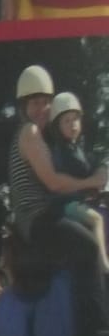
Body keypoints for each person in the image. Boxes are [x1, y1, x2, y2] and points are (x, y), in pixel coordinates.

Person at [10, 65, 109, 336]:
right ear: (24, 107)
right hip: (36, 218)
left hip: (46, 213)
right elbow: (53, 181)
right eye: (34, 102)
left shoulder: (44, 138)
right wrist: (92, 181)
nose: (41, 108)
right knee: (88, 248)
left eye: (45, 101)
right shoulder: (29, 133)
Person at [50, 93, 109, 269]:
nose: (72, 124)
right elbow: (84, 168)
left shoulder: (75, 148)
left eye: (75, 119)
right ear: (57, 127)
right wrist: (97, 169)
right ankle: (103, 263)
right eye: (66, 121)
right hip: (69, 203)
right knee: (97, 220)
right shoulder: (64, 151)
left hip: (77, 201)